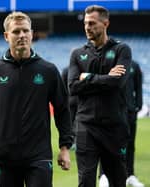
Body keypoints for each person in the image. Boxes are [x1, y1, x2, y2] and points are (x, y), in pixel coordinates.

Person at [0, 12, 73, 187]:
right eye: (16, 32)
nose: (22, 35)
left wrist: (65, 147)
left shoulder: (48, 70)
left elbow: (62, 109)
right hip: (4, 155)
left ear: (31, 33)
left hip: (39, 156)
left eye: (25, 31)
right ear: (6, 36)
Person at [68, 5, 132, 187]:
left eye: (92, 23)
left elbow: (118, 83)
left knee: (118, 180)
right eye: (86, 23)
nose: (87, 27)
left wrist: (87, 78)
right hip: (86, 126)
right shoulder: (77, 54)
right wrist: (106, 79)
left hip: (114, 127)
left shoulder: (122, 50)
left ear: (106, 23)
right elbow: (73, 87)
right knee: (86, 180)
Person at [99, 60, 144, 187]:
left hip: (129, 113)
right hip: (110, 111)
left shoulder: (134, 66)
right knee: (106, 144)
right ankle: (103, 175)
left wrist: (137, 107)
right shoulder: (108, 65)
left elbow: (138, 87)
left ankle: (130, 175)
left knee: (130, 145)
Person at [61, 66, 78, 148]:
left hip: (70, 100)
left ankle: (70, 142)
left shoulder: (66, 70)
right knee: (77, 122)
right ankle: (75, 142)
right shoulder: (82, 68)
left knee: (70, 122)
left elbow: (62, 87)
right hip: (79, 100)